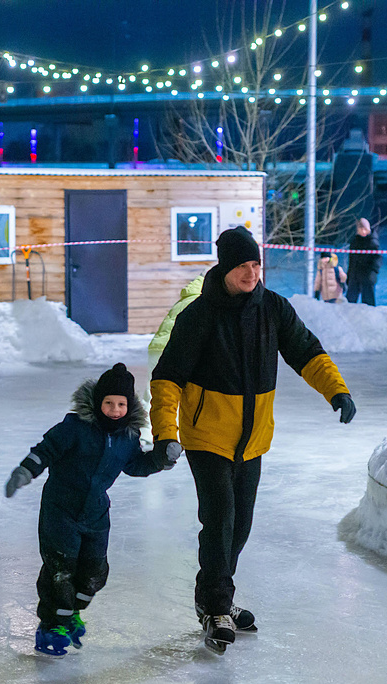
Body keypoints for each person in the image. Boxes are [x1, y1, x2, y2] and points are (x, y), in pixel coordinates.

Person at [150, 226, 356, 654]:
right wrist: (165, 434)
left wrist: (336, 390)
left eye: (256, 264)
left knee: (240, 526)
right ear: (225, 267)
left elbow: (307, 352)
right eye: (243, 265)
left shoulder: (273, 309)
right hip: (207, 437)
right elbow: (167, 378)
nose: (251, 272)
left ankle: (213, 595)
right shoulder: (199, 316)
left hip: (252, 439)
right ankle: (217, 607)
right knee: (220, 519)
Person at [5, 363, 181, 656]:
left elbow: (135, 465)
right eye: (109, 403)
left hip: (96, 513)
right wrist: (26, 470)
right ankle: (52, 626)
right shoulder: (74, 428)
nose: (115, 410)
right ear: (98, 402)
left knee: (94, 572)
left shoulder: (128, 437)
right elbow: (45, 449)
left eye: (121, 404)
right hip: (61, 510)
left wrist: (161, 460)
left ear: (129, 406)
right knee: (61, 570)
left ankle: (71, 612)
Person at [142, 274, 205, 448]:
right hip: (171, 351)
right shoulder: (200, 303)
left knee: (152, 393)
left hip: (157, 348)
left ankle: (145, 433)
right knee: (173, 394)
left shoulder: (185, 299)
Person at [345, 218, 381, 306]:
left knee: (368, 303)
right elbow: (352, 260)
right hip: (355, 275)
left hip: (367, 276)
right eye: (361, 229)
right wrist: (349, 275)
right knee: (350, 302)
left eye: (365, 229)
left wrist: (372, 273)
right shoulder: (354, 241)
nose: (363, 232)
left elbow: (377, 259)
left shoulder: (373, 242)